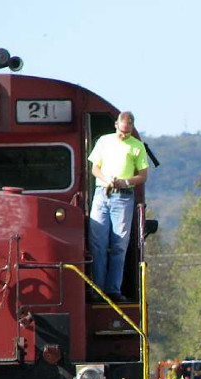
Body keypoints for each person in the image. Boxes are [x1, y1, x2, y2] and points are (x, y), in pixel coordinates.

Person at [88, 111, 149, 303]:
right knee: (97, 244)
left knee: (119, 245)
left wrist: (125, 181)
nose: (124, 135)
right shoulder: (104, 142)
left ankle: (113, 289)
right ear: (116, 125)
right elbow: (94, 168)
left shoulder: (137, 146)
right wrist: (107, 179)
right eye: (122, 131)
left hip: (123, 197)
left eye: (128, 132)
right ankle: (97, 289)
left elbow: (143, 175)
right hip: (102, 193)